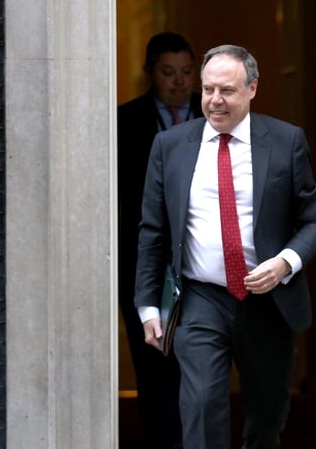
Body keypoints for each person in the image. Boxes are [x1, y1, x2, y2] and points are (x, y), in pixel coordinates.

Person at [134, 43, 316, 449]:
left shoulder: (285, 141)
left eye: (227, 90)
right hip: (201, 298)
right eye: (207, 90)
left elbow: (315, 223)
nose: (215, 101)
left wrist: (285, 263)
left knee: (268, 416)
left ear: (252, 89)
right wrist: (148, 305)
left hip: (268, 300)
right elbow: (152, 231)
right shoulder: (170, 146)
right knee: (202, 403)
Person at [118, 31, 202, 448]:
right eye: (168, 73)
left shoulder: (216, 118)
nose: (179, 82)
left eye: (187, 72)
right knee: (154, 371)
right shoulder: (121, 124)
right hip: (146, 269)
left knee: (203, 367)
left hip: (206, 265)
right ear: (149, 73)